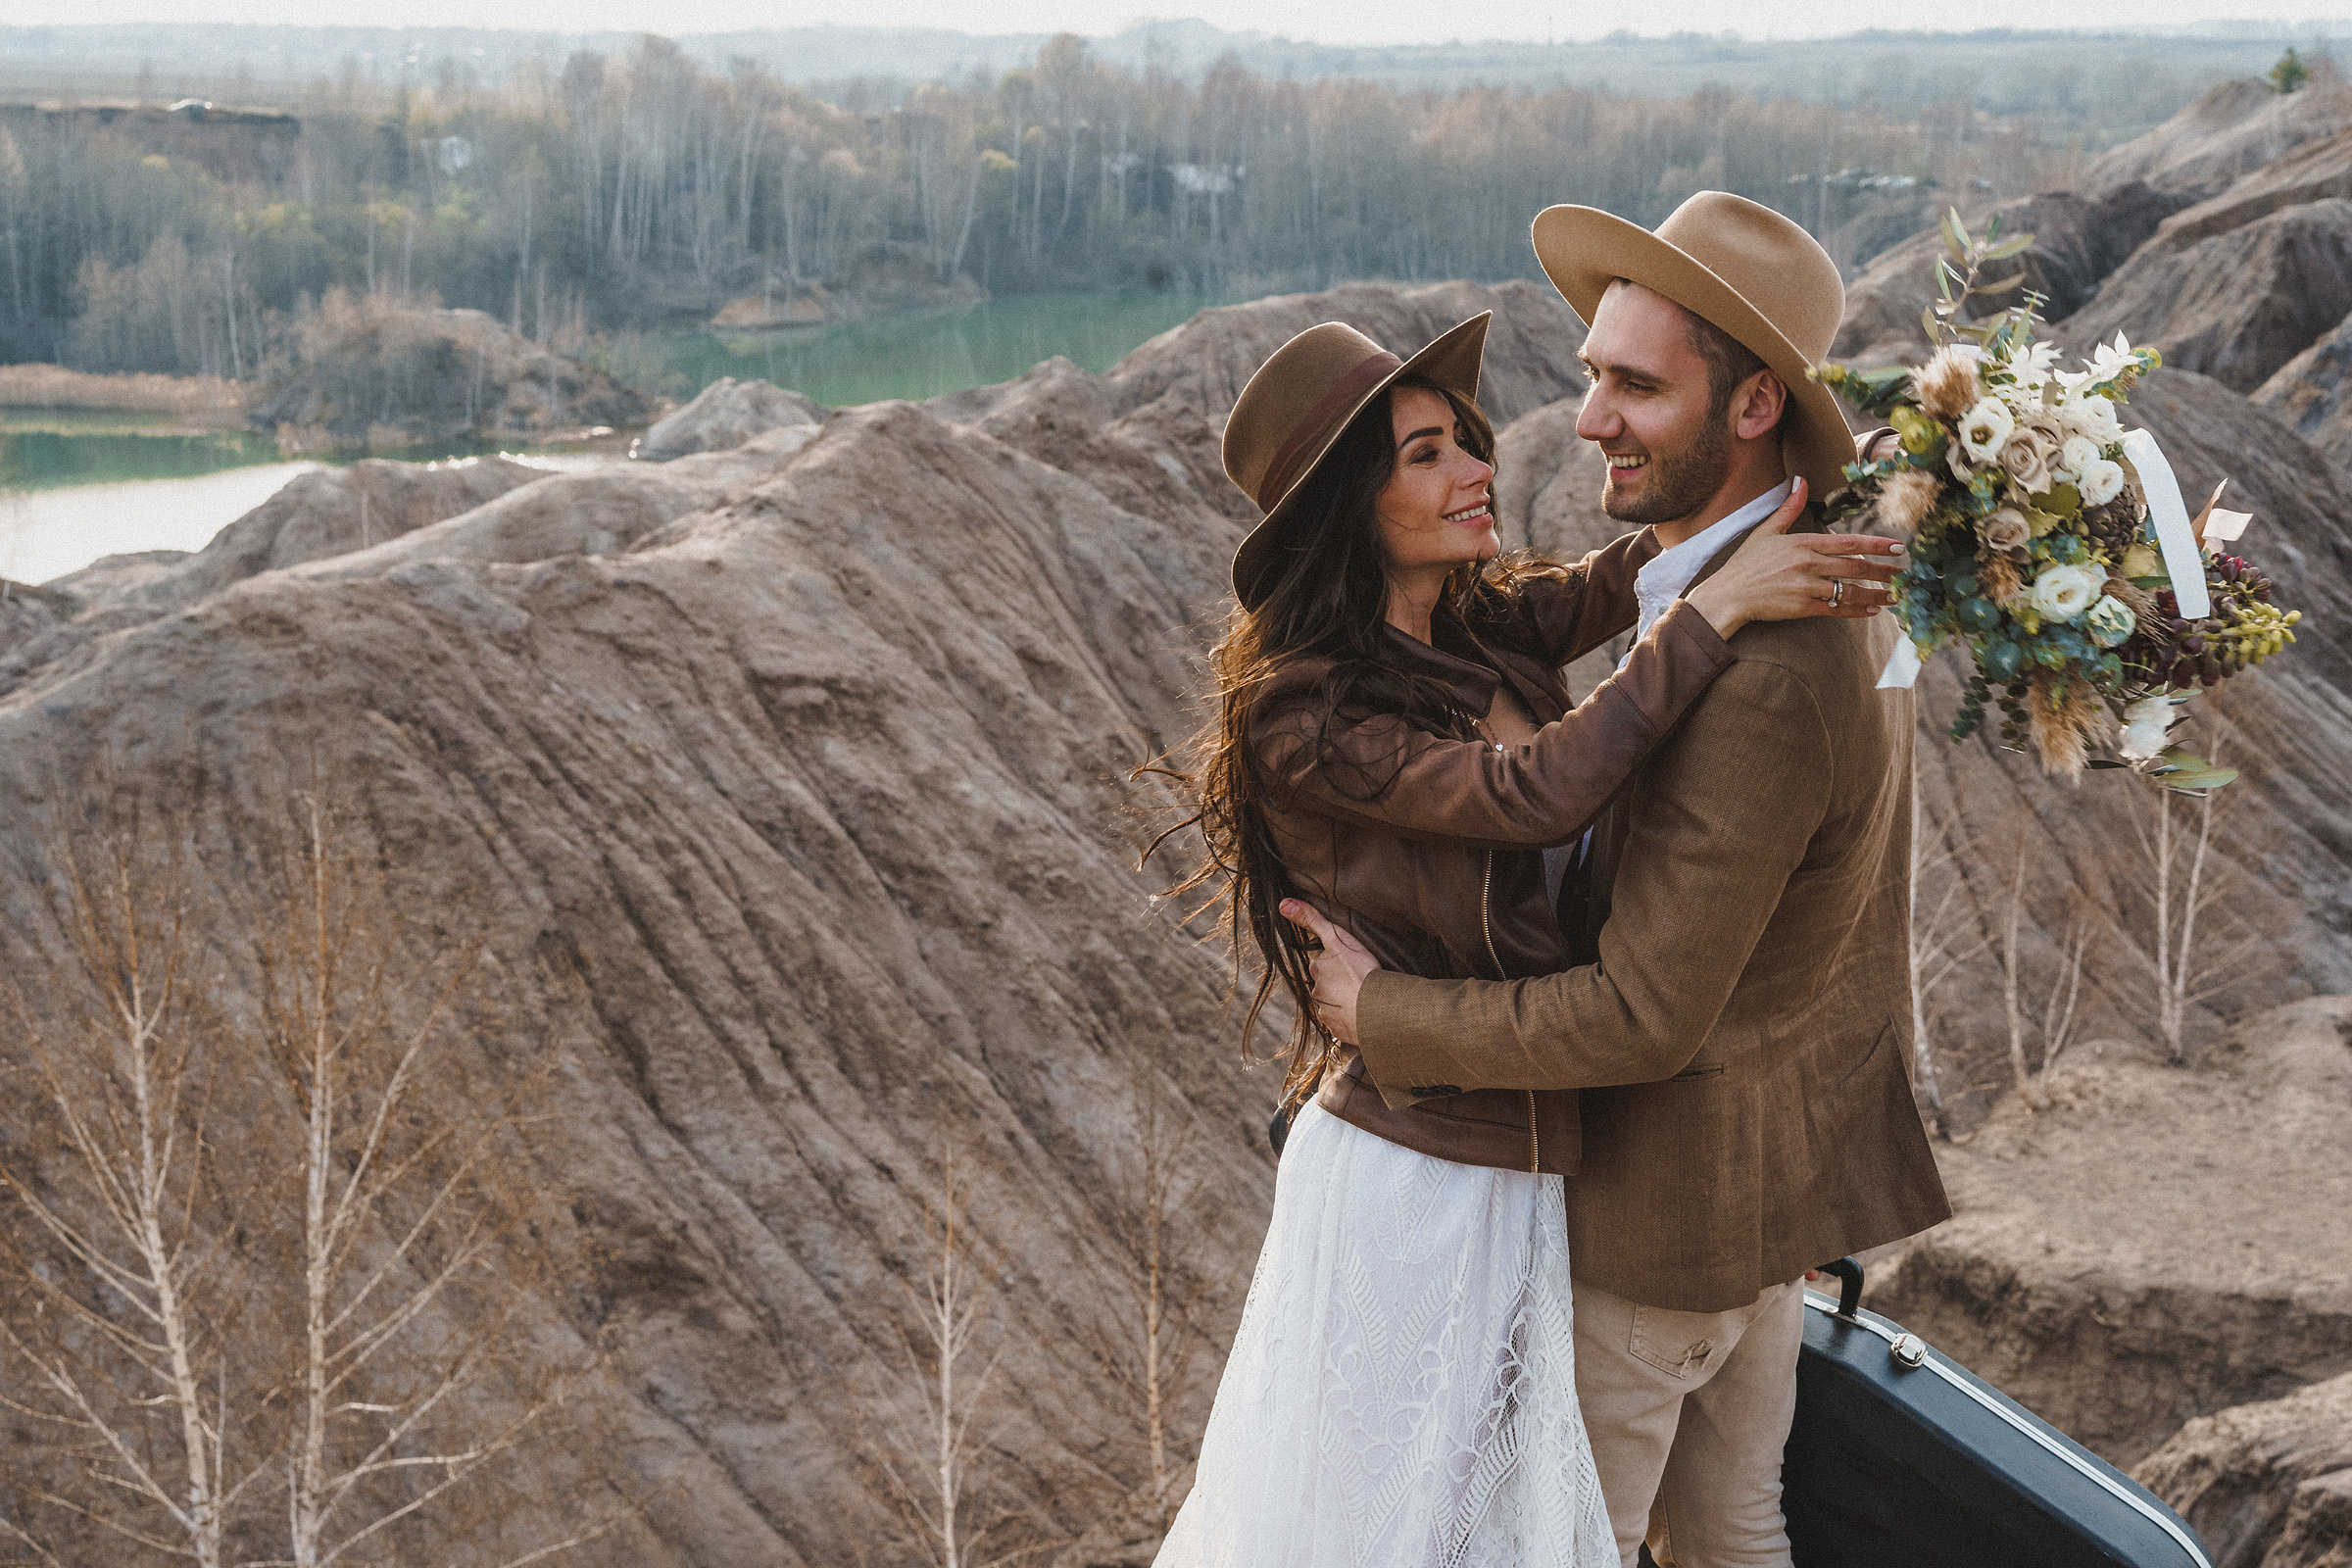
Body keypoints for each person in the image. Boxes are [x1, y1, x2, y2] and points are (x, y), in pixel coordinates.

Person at [1149, 303, 1904, 1568]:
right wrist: (1712, 617)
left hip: (1525, 1160)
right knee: (1400, 1532)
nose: (1477, 467)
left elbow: (1648, 556)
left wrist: (1833, 472)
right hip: (1418, 1174)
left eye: (1465, 437)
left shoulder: (1480, 622)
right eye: (1427, 454)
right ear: (1349, 509)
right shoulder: (1311, 718)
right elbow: (1532, 794)